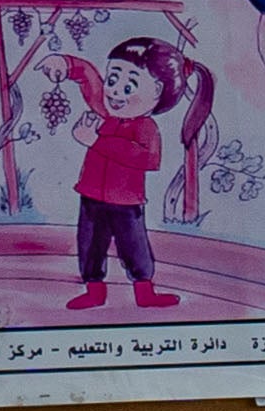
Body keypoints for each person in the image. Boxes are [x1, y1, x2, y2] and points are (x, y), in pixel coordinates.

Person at [61, 40, 188, 312]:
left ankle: (145, 292)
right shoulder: (106, 113)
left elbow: (146, 158)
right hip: (91, 195)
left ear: (156, 92)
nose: (115, 93)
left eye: (128, 87)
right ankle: (94, 291)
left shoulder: (146, 127)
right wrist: (67, 65)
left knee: (134, 248)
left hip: (126, 202)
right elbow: (90, 80)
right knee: (90, 246)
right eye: (113, 80)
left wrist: (95, 141)